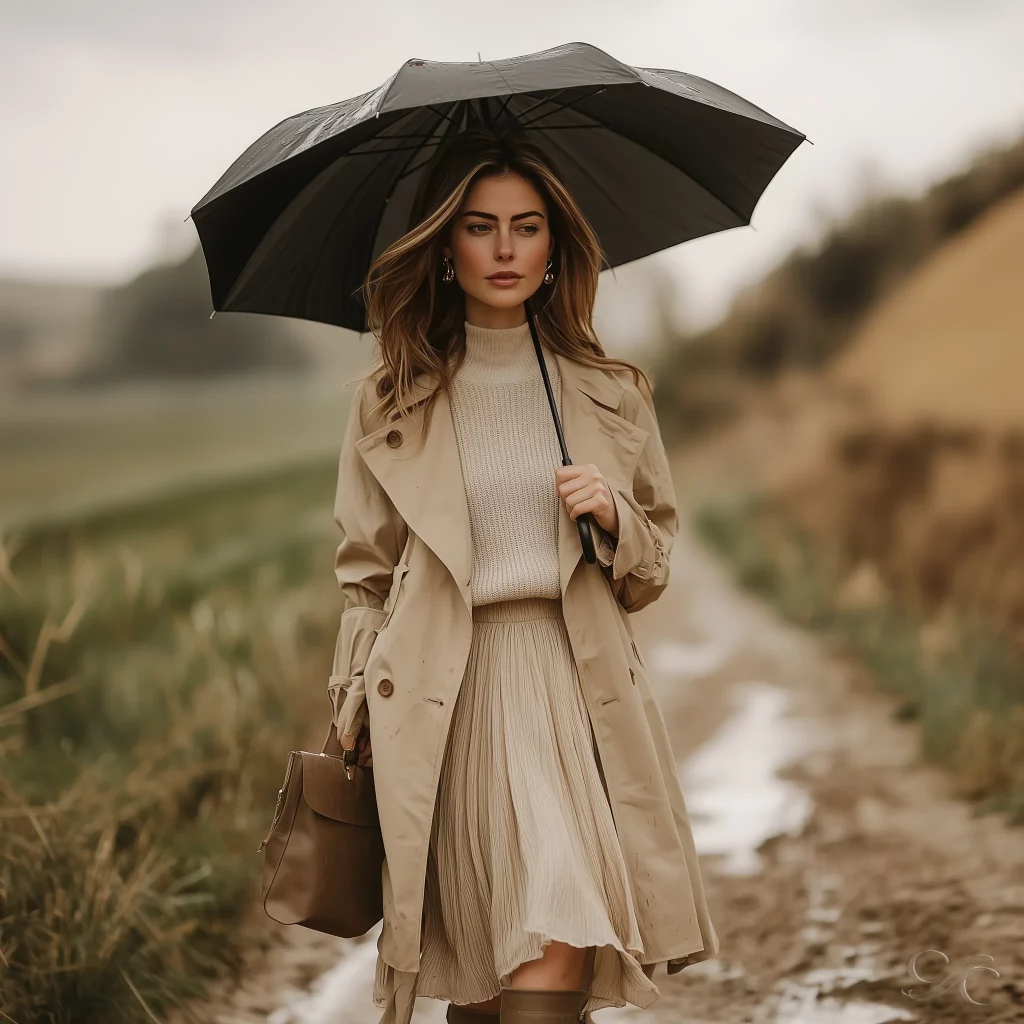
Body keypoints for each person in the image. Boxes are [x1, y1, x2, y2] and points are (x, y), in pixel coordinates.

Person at [329, 127, 719, 1024]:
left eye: (527, 225)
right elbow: (364, 574)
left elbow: (652, 563)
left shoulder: (609, 391)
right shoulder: (389, 401)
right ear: (444, 246)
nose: (504, 248)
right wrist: (351, 700)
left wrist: (616, 518)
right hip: (446, 701)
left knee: (555, 947)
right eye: (479, 226)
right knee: (479, 979)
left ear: (555, 247)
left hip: (571, 692)